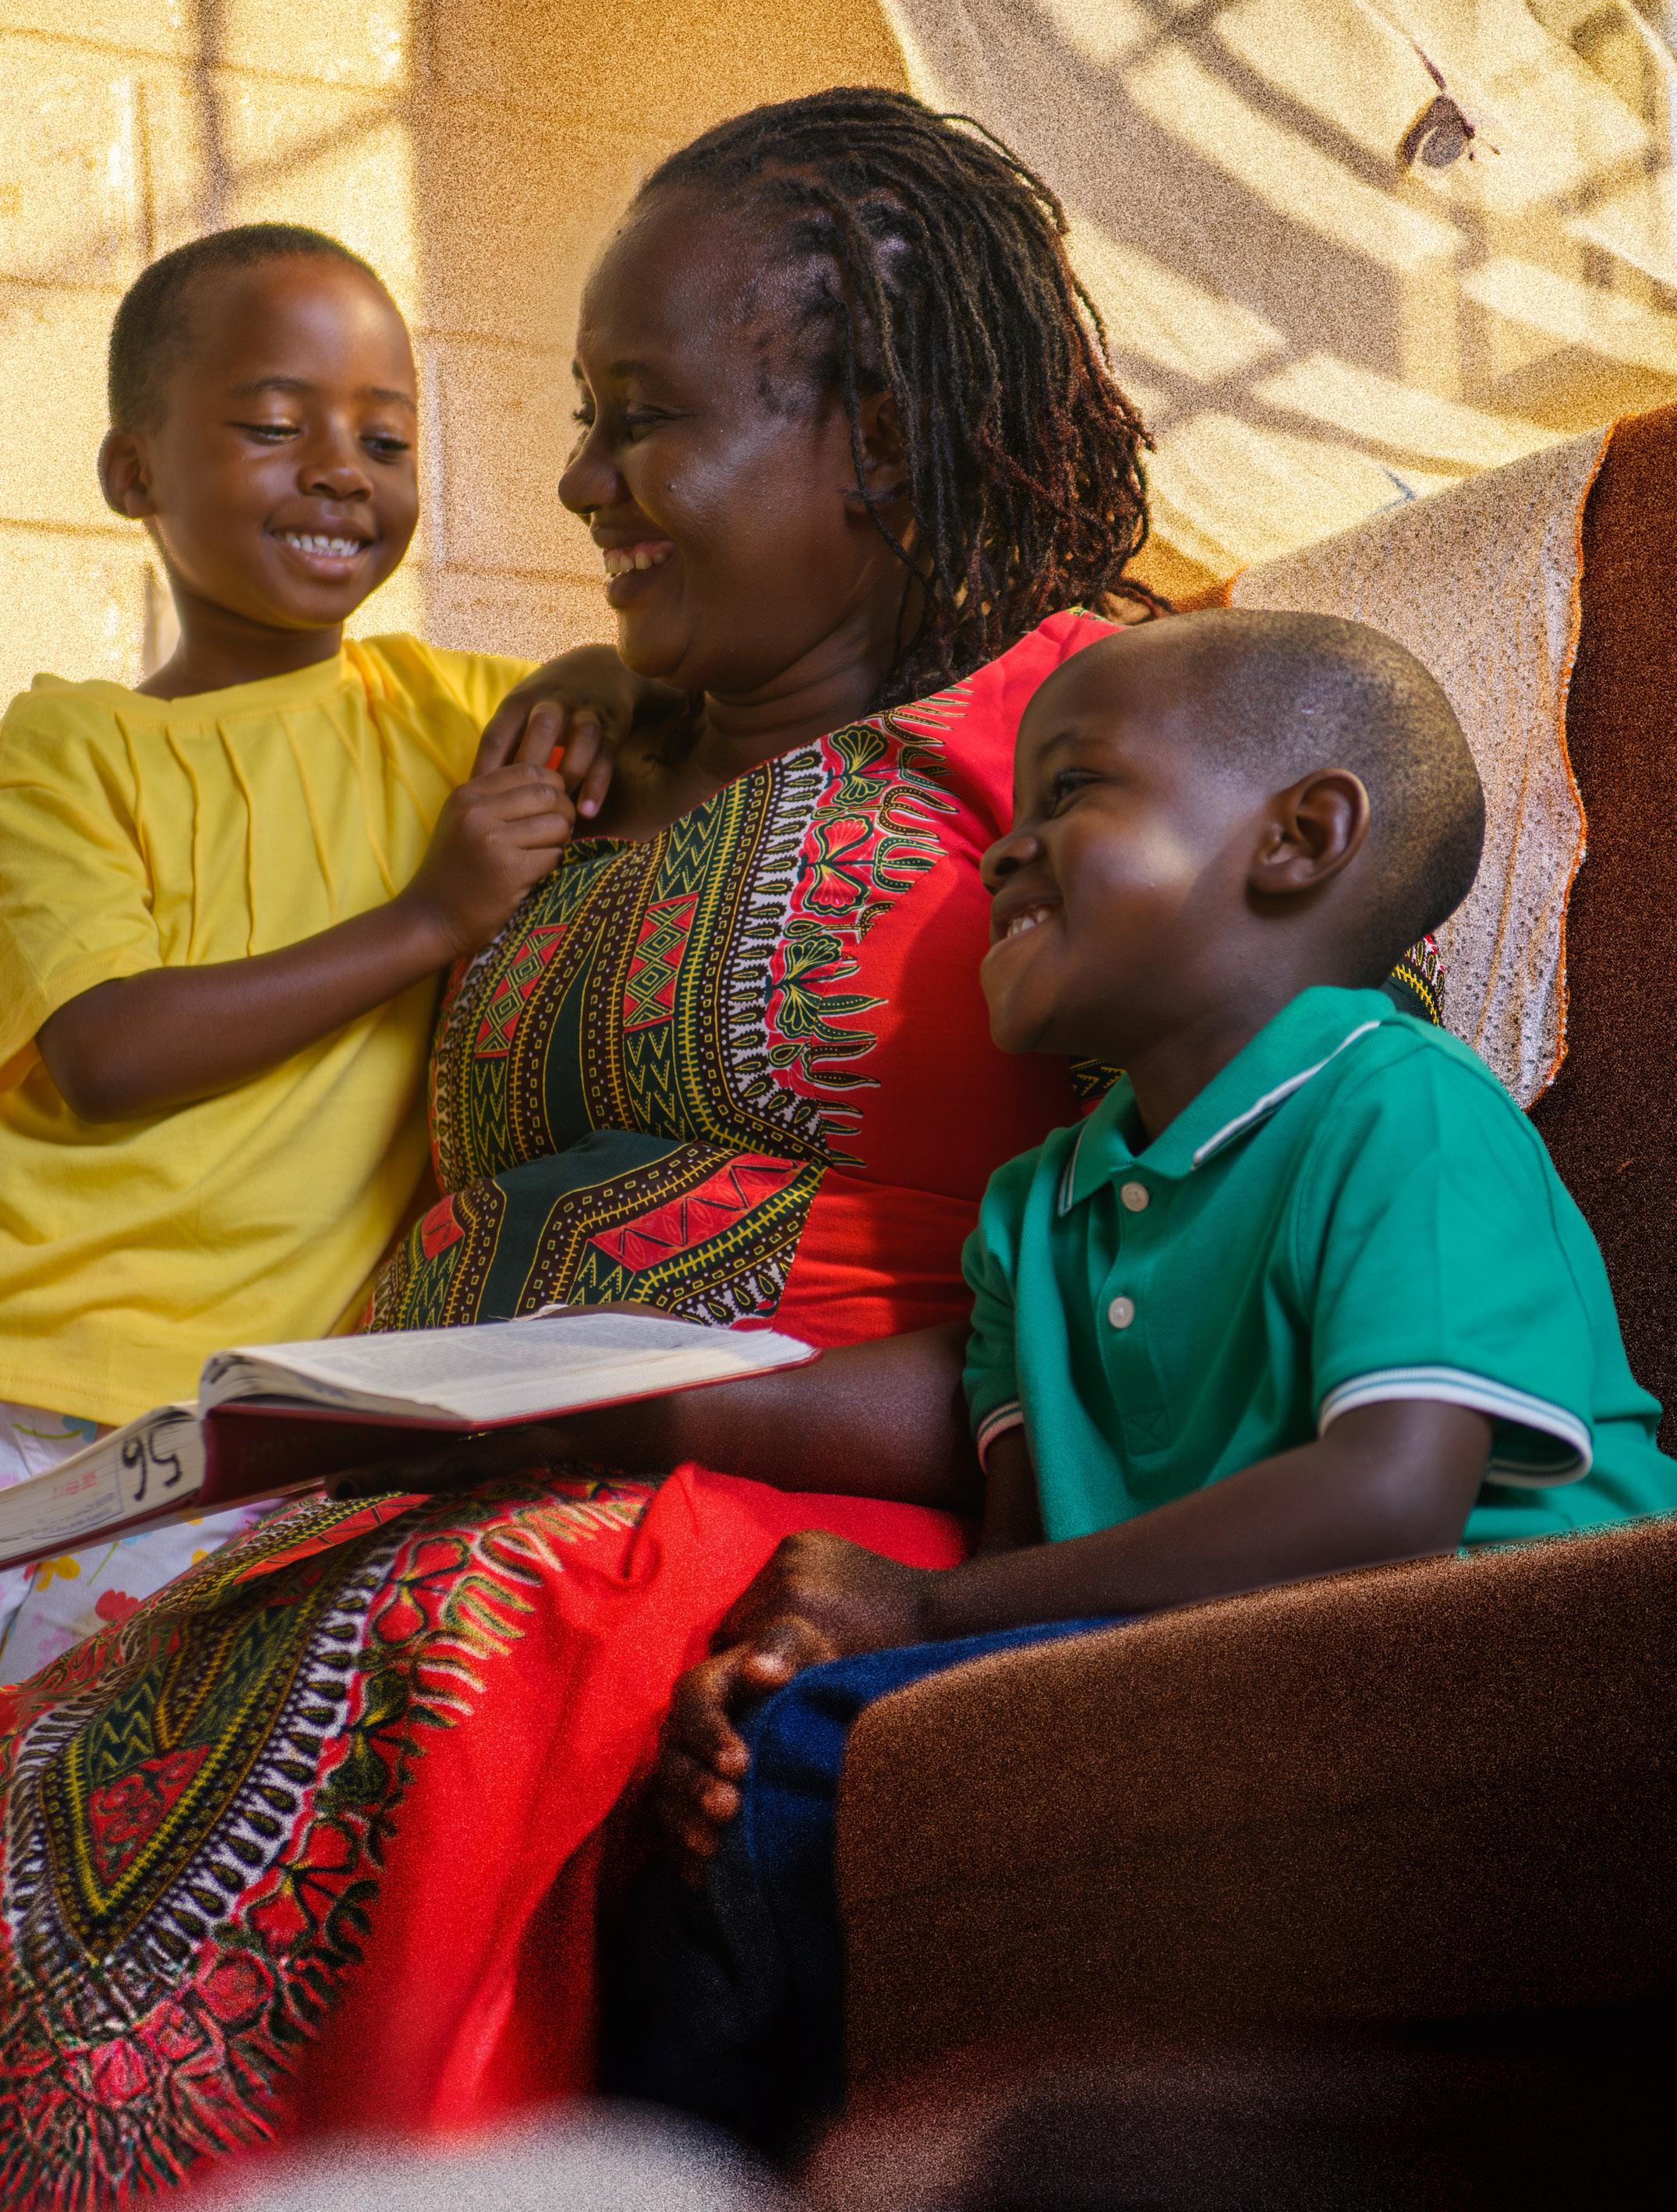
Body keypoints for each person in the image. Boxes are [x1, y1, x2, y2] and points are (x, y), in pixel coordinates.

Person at [0, 100, 1435, 2203]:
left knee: (462, 1635)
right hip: (398, 1474)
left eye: (643, 419)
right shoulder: (570, 759)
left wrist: (662, 1414)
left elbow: (1268, 1263)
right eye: (585, 422)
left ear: (876, 437)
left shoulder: (1112, 753)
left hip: (787, 1488)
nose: (581, 482)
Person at [617, 610, 1677, 2145]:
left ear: (1299, 838)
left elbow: (1390, 1497)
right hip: (1201, 1668)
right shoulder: (1034, 1210)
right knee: (751, 1766)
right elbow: (1022, 1560)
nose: (1004, 850)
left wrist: (916, 1616)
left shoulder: (1398, 1104)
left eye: (1071, 791)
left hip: (1509, 1652)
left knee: (810, 1772)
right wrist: (813, 1660)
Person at [0, 225, 589, 1681]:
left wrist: (600, 691)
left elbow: (646, 690)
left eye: (386, 440)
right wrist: (430, 920)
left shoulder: (456, 716)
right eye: (274, 426)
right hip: (38, 1377)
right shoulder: (71, 746)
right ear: (133, 473)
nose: (341, 471)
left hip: (255, 1429)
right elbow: (106, 1048)